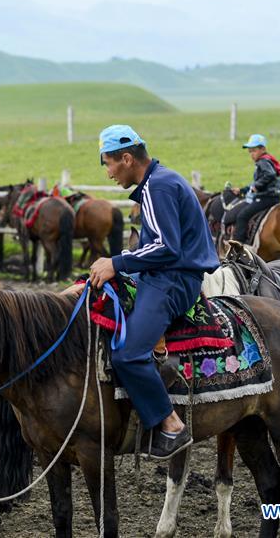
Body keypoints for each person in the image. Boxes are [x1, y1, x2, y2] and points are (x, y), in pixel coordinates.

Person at [89, 124, 219, 460]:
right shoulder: (160, 181)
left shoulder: (157, 188)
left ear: (127, 158)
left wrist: (116, 263)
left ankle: (171, 426)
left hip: (172, 280)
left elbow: (166, 248)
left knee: (128, 354)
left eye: (108, 163)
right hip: (162, 273)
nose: (108, 173)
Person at [231, 134, 280, 243]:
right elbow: (258, 181)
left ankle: (239, 245)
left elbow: (270, 175)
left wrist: (257, 186)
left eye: (254, 151)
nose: (251, 154)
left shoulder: (263, 161)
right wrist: (243, 190)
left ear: (263, 149)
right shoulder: (266, 160)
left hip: (266, 197)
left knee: (242, 216)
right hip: (271, 196)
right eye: (250, 151)